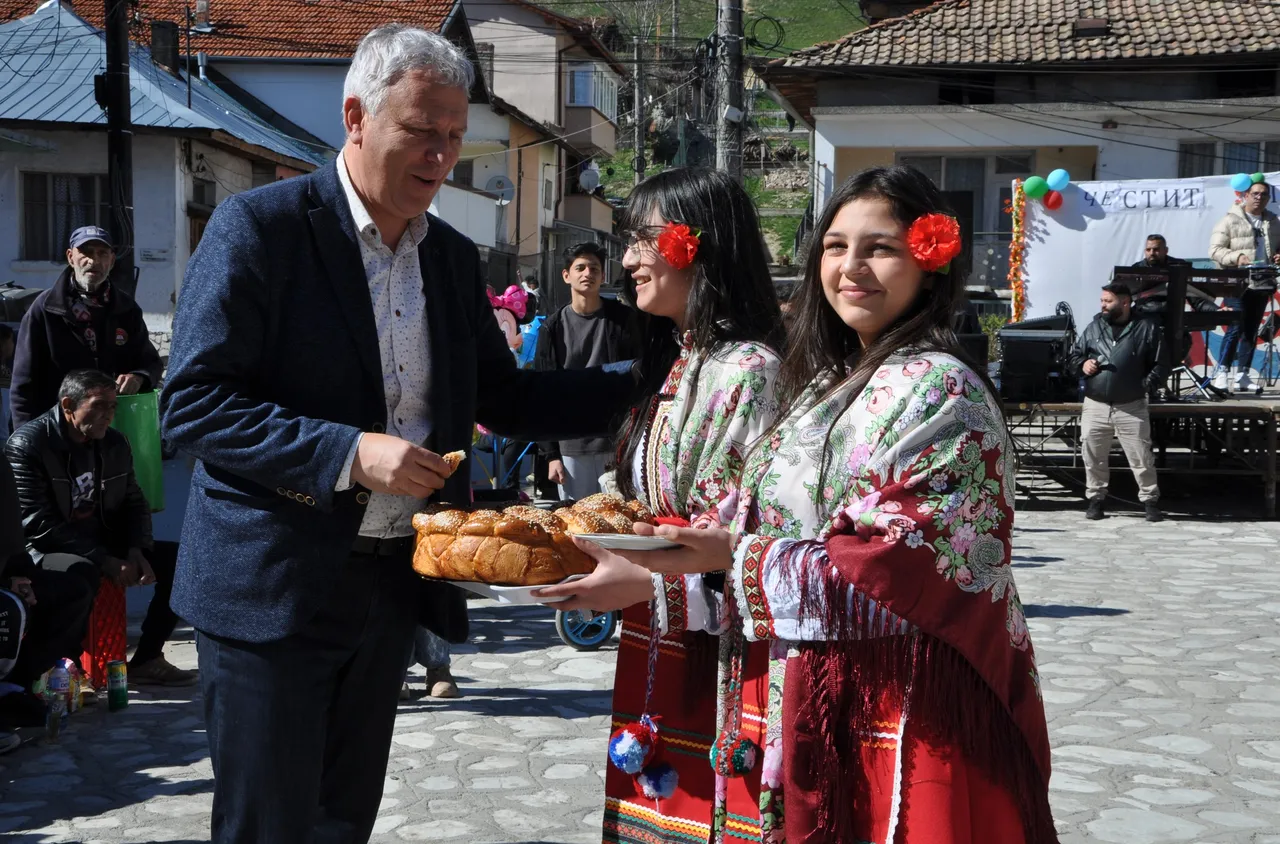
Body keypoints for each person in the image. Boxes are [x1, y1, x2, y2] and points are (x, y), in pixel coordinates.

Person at [160, 25, 635, 844]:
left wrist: (646, 385)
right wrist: (347, 453)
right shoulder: (261, 228)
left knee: (343, 823)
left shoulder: (447, 256)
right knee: (269, 827)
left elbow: (504, 396)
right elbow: (195, 403)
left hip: (388, 585)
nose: (441, 156)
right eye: (421, 131)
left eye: (454, 136)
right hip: (272, 585)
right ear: (355, 116)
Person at [581, 166, 1057, 843]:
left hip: (903, 703)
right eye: (835, 247)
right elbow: (750, 510)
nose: (851, 267)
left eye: (879, 248)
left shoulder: (941, 390)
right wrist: (675, 556)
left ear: (929, 262)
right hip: (809, 683)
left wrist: (726, 559)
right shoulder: (826, 385)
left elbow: (899, 565)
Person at [535, 167, 785, 844]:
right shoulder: (679, 362)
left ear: (702, 244)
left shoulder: (750, 371)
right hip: (663, 641)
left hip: (726, 658)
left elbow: (759, 535)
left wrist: (648, 582)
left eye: (643, 239)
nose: (627, 261)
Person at [5, 369, 195, 685]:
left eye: (112, 406)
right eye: (99, 405)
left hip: (102, 539)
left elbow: (134, 501)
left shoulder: (114, 443)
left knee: (181, 563)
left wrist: (137, 549)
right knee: (81, 575)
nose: (108, 414)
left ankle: (147, 658)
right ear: (68, 405)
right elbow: (37, 524)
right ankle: (64, 670)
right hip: (45, 547)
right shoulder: (29, 444)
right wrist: (104, 560)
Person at [9, 226, 162, 429]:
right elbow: (24, 382)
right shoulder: (46, 308)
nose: (93, 260)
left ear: (112, 261)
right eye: (86, 252)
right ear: (70, 257)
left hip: (111, 427)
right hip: (58, 428)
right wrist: (24, 434)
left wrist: (139, 376)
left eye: (102, 253)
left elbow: (150, 363)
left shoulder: (126, 309)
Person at [536, 241, 640, 501]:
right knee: (577, 521)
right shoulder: (552, 328)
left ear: (603, 276)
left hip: (617, 443)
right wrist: (551, 455)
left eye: (594, 268)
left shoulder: (624, 320)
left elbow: (638, 380)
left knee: (621, 517)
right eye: (580, 268)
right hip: (571, 447)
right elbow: (541, 393)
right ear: (566, 275)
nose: (587, 274)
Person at [1068, 283, 1165, 522]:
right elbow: (1074, 356)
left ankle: (1150, 501)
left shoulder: (1146, 327)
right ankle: (1095, 500)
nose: (1103, 305)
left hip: (1131, 405)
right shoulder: (1094, 327)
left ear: (1125, 303)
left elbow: (1162, 363)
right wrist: (1083, 364)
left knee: (1141, 457)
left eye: (1108, 301)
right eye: (1102, 300)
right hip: (1096, 404)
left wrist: (1145, 385)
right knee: (1093, 455)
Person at [1209, 181, 1280, 392]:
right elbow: (1215, 251)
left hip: (1262, 282)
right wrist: (1237, 257)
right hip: (1236, 283)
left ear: (1268, 199)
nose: (1259, 198)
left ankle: (1243, 375)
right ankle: (1221, 372)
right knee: (1235, 327)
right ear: (1245, 196)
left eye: (1264, 194)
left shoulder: (1273, 221)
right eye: (1255, 193)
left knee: (1251, 330)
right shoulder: (1229, 220)